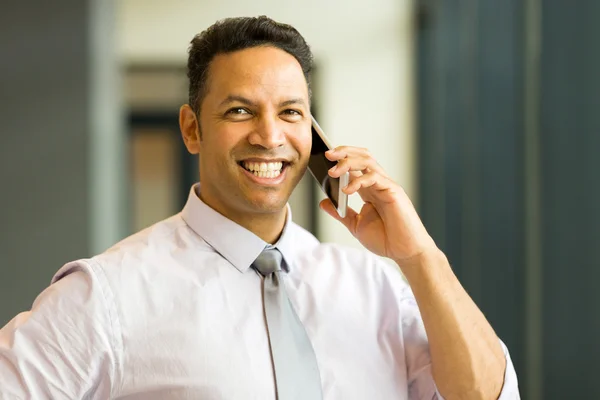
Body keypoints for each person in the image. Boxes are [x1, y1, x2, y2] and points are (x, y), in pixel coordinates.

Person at [0, 16, 519, 400]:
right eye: (240, 110)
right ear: (191, 128)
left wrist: (420, 256)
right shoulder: (109, 295)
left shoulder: (378, 288)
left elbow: (486, 395)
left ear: (312, 133)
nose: (269, 136)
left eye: (290, 112)